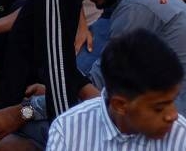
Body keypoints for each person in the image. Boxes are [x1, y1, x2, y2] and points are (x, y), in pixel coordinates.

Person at [86, 0, 186, 110]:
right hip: (164, 113)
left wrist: (28, 109)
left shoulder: (135, 6)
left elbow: (96, 88)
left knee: (32, 126)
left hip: (171, 122)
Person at [46, 29, 186, 149]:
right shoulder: (68, 130)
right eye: (159, 108)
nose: (172, 115)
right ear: (120, 105)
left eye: (172, 101)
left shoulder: (181, 136)